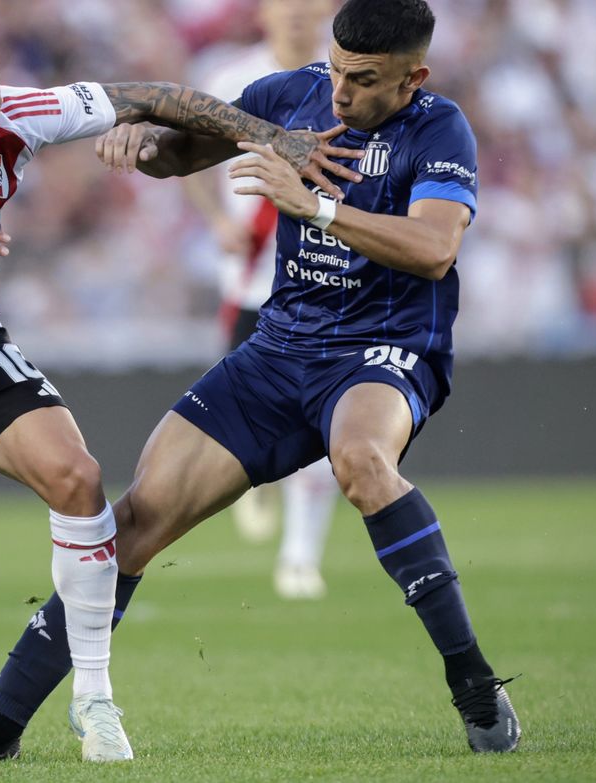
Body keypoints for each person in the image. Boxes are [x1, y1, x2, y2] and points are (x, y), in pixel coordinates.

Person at [0, 0, 520, 762]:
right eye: (339, 69)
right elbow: (182, 153)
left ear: (414, 76)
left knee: (361, 461)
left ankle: (474, 681)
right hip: (279, 351)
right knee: (133, 523)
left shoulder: (440, 128)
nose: (342, 92)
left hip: (384, 348)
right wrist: (140, 146)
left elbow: (434, 249)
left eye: (365, 80)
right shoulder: (292, 94)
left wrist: (314, 205)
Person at [0, 41, 360, 763]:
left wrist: (274, 137)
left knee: (79, 479)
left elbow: (153, 95)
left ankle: (94, 700)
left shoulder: (27, 115)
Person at [184, 0, 341, 599]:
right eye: (286, 3)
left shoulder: (344, 84)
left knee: (325, 416)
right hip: (252, 279)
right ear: (265, 13)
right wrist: (216, 221)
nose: (298, 13)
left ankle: (300, 558)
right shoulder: (233, 78)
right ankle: (260, 483)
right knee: (248, 416)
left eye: (309, 4)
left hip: (323, 276)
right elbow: (190, 153)